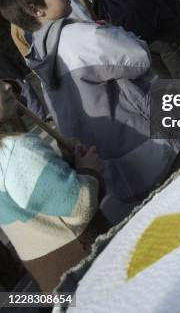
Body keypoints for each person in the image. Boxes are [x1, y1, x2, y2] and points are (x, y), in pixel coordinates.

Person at [0, 0, 180, 202]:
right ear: (36, 10)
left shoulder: (40, 55)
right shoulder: (76, 37)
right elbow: (138, 56)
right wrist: (110, 31)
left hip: (115, 165)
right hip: (151, 148)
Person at [0, 77, 109, 292]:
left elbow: (35, 201)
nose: (7, 85)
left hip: (54, 281)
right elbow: (79, 204)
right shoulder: (17, 151)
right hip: (87, 268)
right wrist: (89, 170)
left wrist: (64, 162)